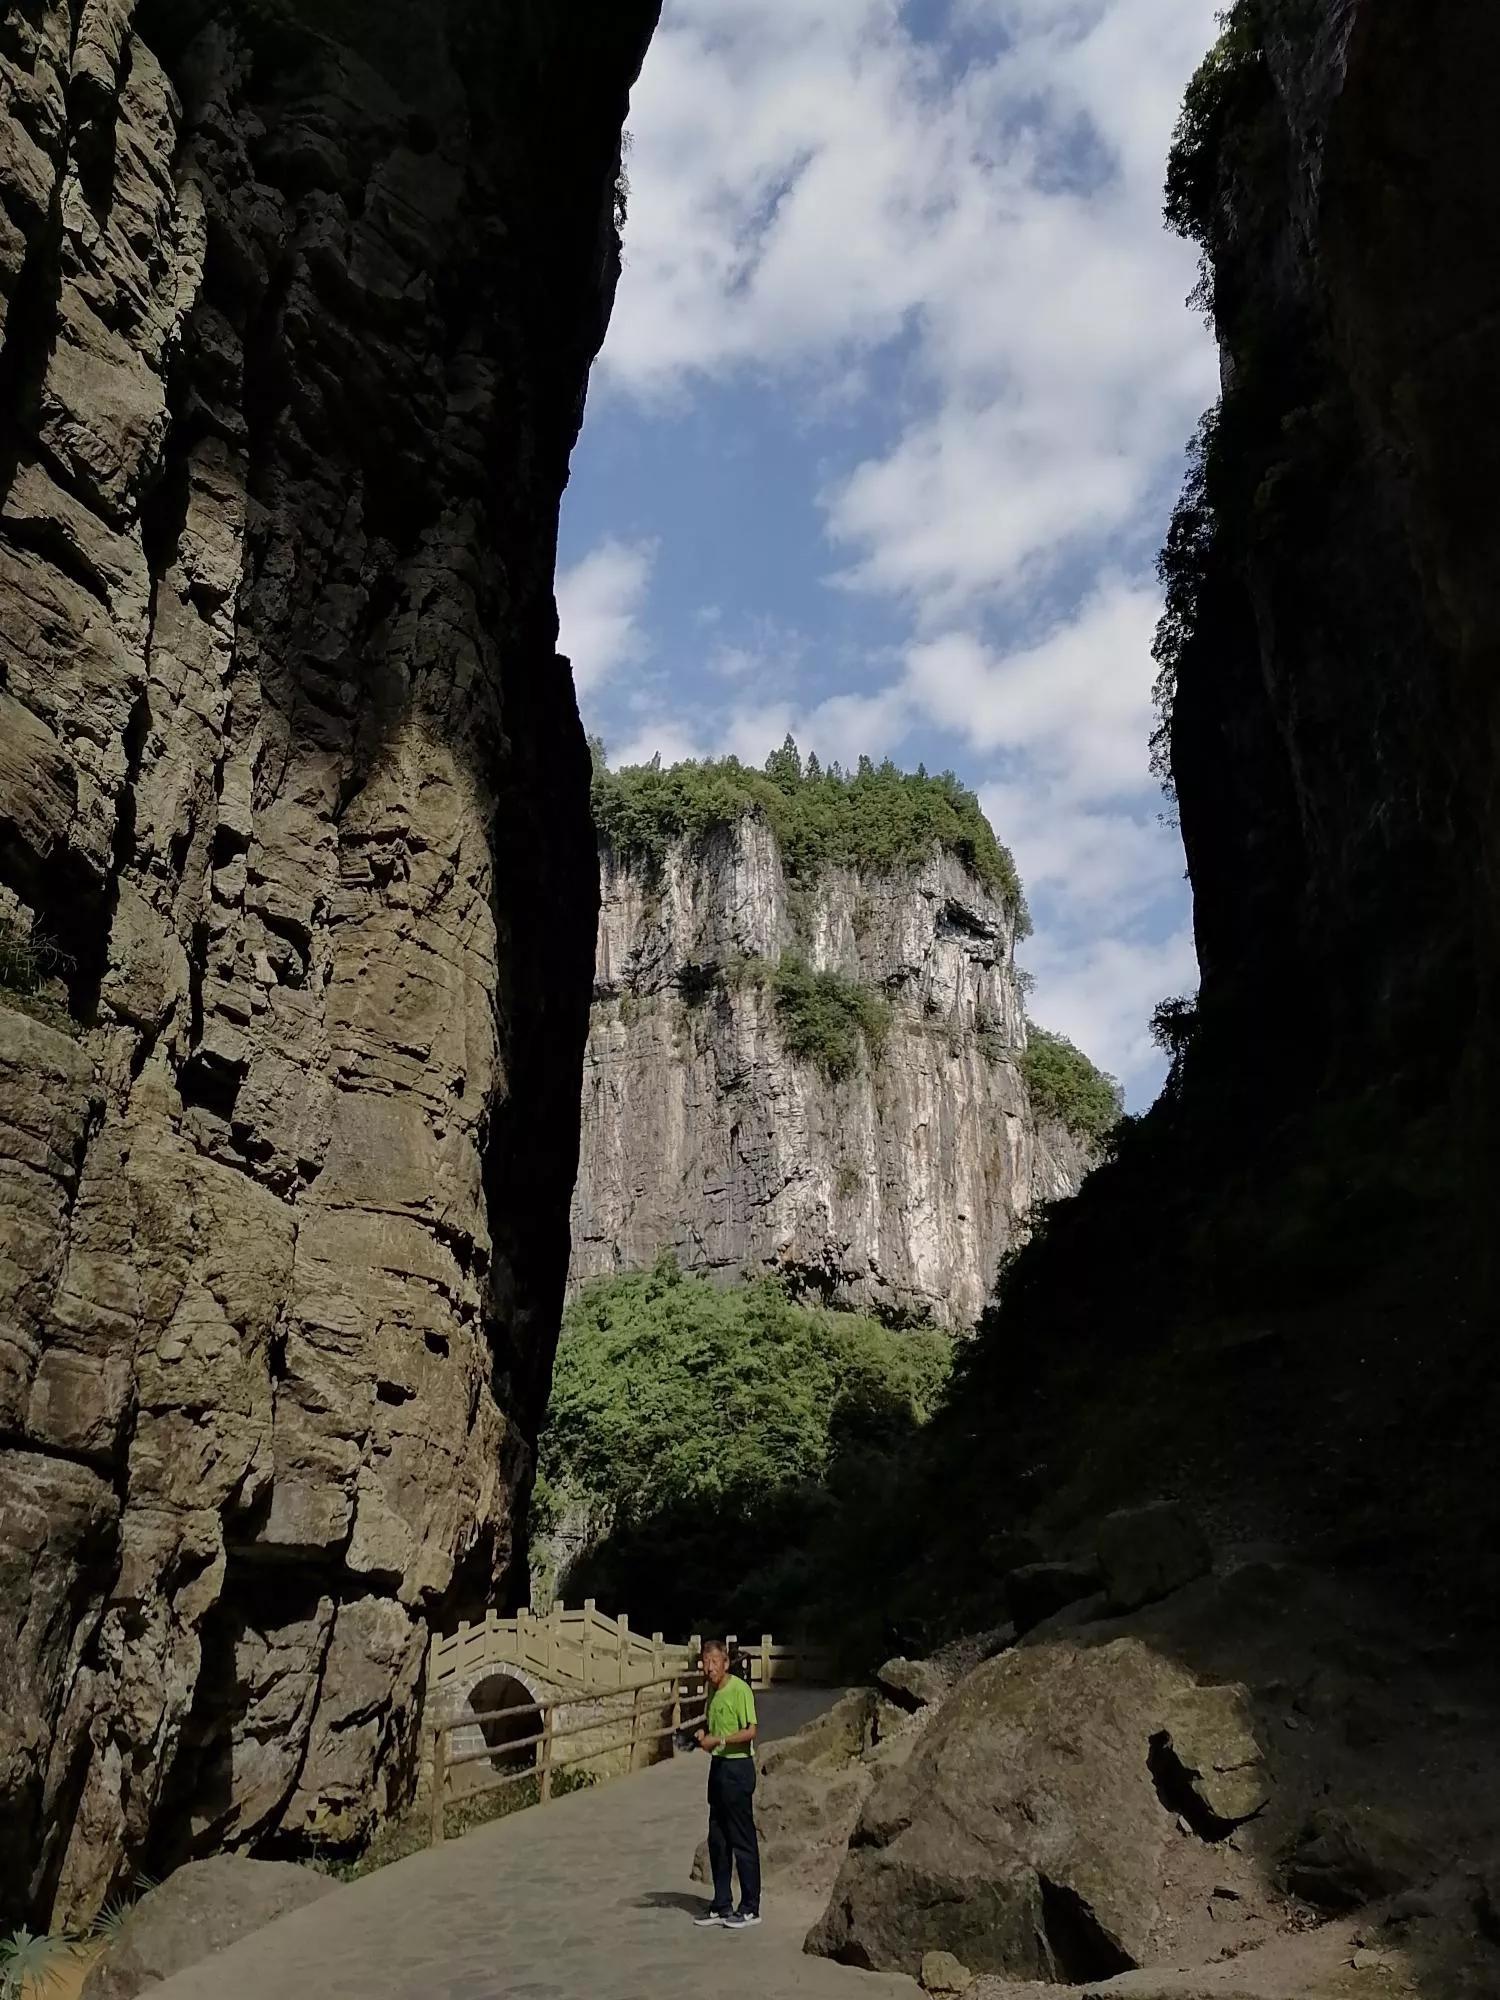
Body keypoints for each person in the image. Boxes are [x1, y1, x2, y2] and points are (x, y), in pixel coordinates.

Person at [692, 1638, 761, 1929]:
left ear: (725, 1663)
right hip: (718, 1767)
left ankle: (750, 1907)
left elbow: (750, 1731)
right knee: (717, 1838)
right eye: (706, 1663)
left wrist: (718, 1740)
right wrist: (702, 1735)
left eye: (714, 1662)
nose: (710, 1668)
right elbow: (712, 1726)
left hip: (738, 1768)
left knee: (741, 1838)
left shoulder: (739, 1690)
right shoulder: (713, 1691)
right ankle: (721, 1903)